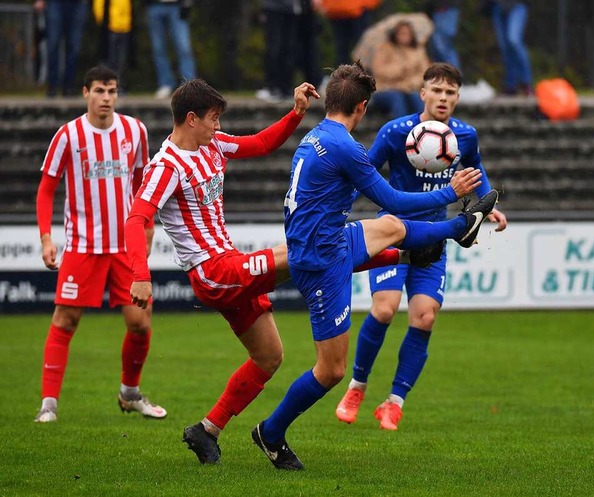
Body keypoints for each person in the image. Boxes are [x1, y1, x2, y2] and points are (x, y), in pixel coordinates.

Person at [124, 78, 471, 465]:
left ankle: (207, 430)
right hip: (212, 272)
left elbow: (261, 144)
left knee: (269, 357)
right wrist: (140, 273)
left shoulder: (213, 144)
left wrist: (295, 114)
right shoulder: (165, 166)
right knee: (309, 251)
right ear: (191, 119)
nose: (218, 127)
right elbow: (137, 218)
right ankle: (409, 254)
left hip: (232, 264)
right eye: (213, 119)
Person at [251, 61, 499, 470]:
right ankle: (271, 432)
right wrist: (450, 192)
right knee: (330, 370)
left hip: (329, 236)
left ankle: (458, 228)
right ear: (362, 107)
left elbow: (391, 214)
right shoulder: (346, 148)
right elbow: (395, 198)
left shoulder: (317, 135)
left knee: (391, 228)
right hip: (321, 259)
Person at [335, 62, 508, 431]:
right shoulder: (397, 131)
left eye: (451, 92)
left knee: (425, 317)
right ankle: (357, 386)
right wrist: (338, 206)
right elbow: (365, 170)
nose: (444, 98)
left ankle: (394, 402)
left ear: (457, 97)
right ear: (423, 93)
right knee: (384, 310)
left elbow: (476, 170)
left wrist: (489, 207)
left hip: (434, 236)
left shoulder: (466, 135)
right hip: (393, 233)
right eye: (437, 90)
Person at [34, 65, 166, 423]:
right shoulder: (68, 135)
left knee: (140, 323)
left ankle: (130, 394)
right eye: (99, 91)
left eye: (111, 91)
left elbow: (142, 184)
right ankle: (48, 404)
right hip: (82, 246)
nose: (106, 98)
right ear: (85, 93)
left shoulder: (134, 131)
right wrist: (47, 238)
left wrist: (148, 226)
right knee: (65, 320)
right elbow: (46, 190)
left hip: (125, 246)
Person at [370, 20, 429, 118]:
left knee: (417, 97)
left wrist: (412, 82)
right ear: (395, 34)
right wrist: (400, 69)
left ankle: (424, 127)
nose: (404, 36)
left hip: (411, 88)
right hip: (386, 89)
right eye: (401, 33)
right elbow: (379, 70)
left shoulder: (418, 50)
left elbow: (425, 73)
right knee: (397, 98)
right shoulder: (384, 48)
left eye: (407, 34)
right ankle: (401, 129)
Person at [145, 0, 197, 99]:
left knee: (184, 47)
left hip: (177, 6)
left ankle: (190, 86)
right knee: (158, 49)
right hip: (154, 5)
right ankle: (165, 84)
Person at [40, 0, 88, 97]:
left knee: (74, 47)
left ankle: (68, 87)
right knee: (53, 45)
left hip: (78, 4)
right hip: (55, 3)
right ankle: (52, 87)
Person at [490, 0, 533, 95]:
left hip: (517, 5)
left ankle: (526, 82)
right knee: (504, 47)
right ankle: (511, 85)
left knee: (513, 40)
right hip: (497, 6)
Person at [93, 0, 135, 92]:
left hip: (125, 27)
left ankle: (117, 87)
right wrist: (103, 21)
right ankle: (106, 86)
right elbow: (99, 5)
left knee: (121, 61)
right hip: (111, 27)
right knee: (109, 59)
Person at [428, 1, 462, 71]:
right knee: (437, 47)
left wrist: (443, 4)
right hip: (440, 9)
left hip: (446, 8)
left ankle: (454, 75)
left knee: (443, 45)